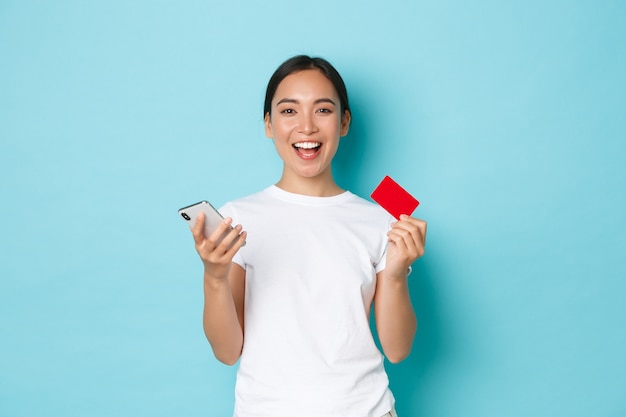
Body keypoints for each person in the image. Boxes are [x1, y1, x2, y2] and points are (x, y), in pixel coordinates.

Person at [190, 55, 427, 417]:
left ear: (344, 122)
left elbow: (397, 349)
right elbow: (226, 352)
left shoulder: (379, 219)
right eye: (288, 111)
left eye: (323, 110)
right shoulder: (237, 218)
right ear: (268, 124)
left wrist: (395, 275)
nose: (306, 127)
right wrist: (214, 277)